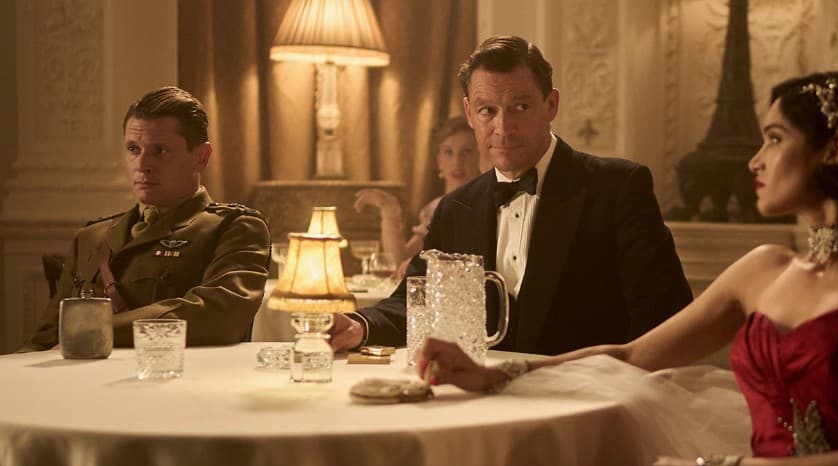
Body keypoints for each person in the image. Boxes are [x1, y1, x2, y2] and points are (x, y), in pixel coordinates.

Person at [416, 72, 838, 466]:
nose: (754, 160)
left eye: (774, 139)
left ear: (834, 148)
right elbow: (632, 355)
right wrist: (496, 374)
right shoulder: (763, 268)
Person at [330, 35, 694, 355]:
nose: (503, 127)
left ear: (551, 105)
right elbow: (415, 300)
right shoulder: (456, 207)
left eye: (520, 107)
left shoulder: (618, 187)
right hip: (479, 396)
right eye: (488, 111)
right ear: (470, 113)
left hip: (588, 397)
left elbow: (663, 316)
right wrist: (359, 325)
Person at [20, 86, 271, 351]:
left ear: (201, 157)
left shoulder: (234, 229)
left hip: (176, 375)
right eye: (133, 149)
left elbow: (219, 316)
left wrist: (96, 330)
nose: (142, 164)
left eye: (160, 151)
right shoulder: (92, 237)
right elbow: (46, 339)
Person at [352, 116, 482, 276]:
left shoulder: (488, 204)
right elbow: (400, 263)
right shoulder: (435, 209)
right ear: (439, 161)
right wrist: (389, 212)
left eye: (467, 152)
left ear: (480, 156)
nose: (457, 161)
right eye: (448, 152)